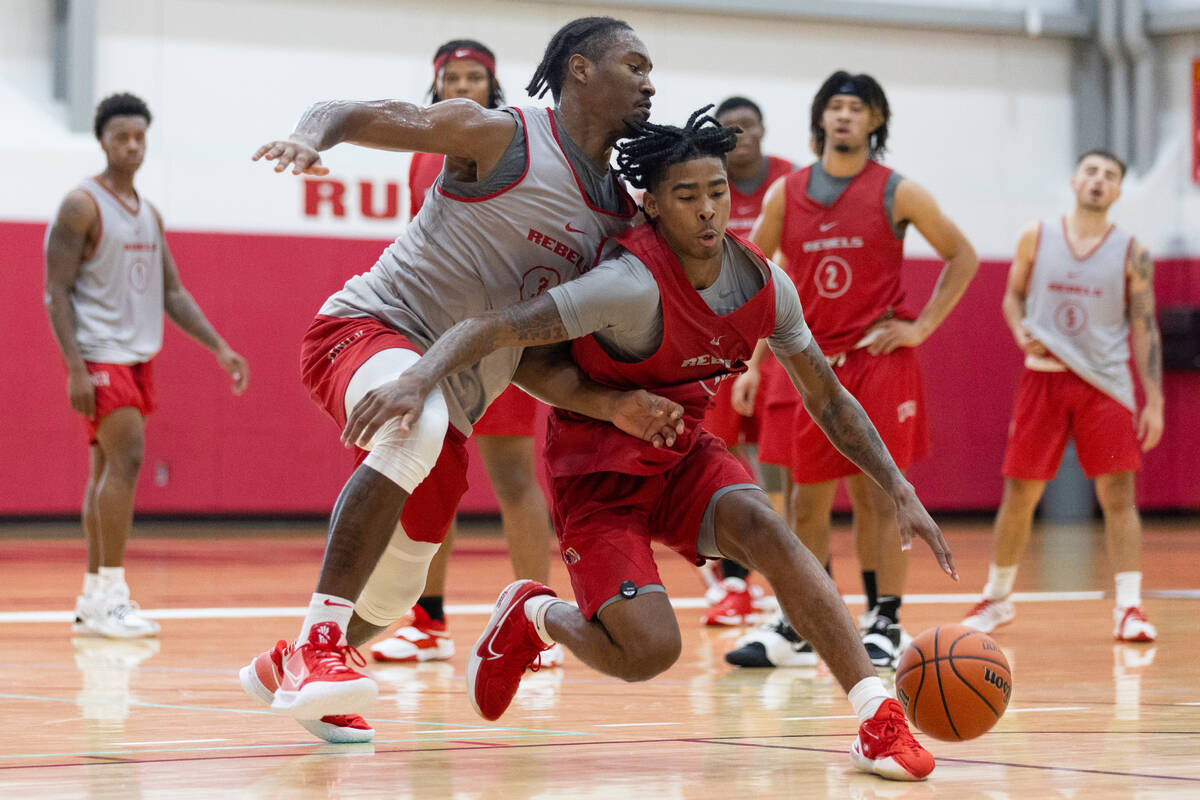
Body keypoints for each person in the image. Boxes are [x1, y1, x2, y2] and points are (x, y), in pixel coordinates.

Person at [365, 109, 958, 781]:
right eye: (686, 196)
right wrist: (417, 376)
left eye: (717, 192)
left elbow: (829, 399)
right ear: (650, 204)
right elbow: (498, 329)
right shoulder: (626, 284)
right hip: (596, 474)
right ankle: (535, 613)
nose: (708, 212)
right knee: (647, 652)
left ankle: (877, 717)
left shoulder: (765, 285)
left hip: (683, 455)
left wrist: (900, 489)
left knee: (770, 528)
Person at [237, 17, 681, 745]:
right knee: (419, 426)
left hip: (450, 392)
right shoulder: (502, 135)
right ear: (579, 69)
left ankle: (292, 662)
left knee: (399, 588)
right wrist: (310, 138)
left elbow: (531, 355)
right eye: (634, 64)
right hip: (366, 329)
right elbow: (354, 112)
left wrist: (614, 403)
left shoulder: (615, 225)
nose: (649, 80)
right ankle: (321, 645)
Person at [726, 71, 978, 668]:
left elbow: (962, 256)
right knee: (802, 505)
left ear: (874, 121)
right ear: (821, 119)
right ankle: (803, 620)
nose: (844, 116)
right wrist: (752, 364)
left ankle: (883, 619)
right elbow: (754, 272)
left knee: (877, 495)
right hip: (809, 363)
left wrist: (921, 327)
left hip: (876, 362)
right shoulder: (788, 192)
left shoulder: (898, 191)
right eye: (835, 107)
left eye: (856, 108)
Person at [373, 38, 563, 670]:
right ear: (436, 87)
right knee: (426, 470)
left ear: (493, 87)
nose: (461, 84)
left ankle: (535, 619)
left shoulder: (513, 145)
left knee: (513, 478)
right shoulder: (421, 157)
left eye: (473, 76)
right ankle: (428, 620)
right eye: (450, 76)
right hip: (433, 337)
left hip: (500, 335)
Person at [43, 93, 249, 640]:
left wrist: (218, 346)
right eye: (121, 137)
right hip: (98, 353)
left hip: (136, 354)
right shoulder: (80, 206)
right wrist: (74, 367)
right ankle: (112, 593)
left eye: (139, 136)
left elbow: (172, 292)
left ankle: (93, 599)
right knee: (128, 460)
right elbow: (55, 293)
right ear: (103, 141)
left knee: (104, 471)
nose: (131, 145)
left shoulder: (148, 212)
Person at [962, 150, 1163, 643]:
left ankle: (1129, 607)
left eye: (1110, 175)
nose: (1099, 180)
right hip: (1044, 375)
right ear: (1075, 181)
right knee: (1021, 491)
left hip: (1105, 383)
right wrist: (1018, 329)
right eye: (1092, 171)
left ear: (1118, 192)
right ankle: (997, 596)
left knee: (1118, 495)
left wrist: (1152, 399)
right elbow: (1013, 296)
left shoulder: (1133, 251)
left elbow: (1145, 326)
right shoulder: (1037, 235)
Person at [698, 96, 795, 627]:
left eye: (750, 125)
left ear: (763, 129)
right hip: (716, 342)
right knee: (726, 459)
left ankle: (787, 577)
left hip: (775, 340)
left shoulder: (786, 183)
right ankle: (736, 580)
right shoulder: (704, 182)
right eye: (731, 129)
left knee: (780, 465)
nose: (742, 135)